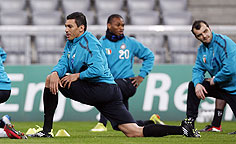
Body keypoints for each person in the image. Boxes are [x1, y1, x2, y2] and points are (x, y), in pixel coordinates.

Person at [30, 12, 200, 138]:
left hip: (102, 89)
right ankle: (182, 129)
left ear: (81, 28)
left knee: (53, 81)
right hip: (110, 92)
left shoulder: (91, 43)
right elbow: (63, 63)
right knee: (133, 131)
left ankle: (46, 131)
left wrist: (76, 76)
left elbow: (97, 69)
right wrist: (55, 72)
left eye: (70, 26)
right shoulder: (71, 44)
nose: (66, 30)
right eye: (65, 26)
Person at [91, 14, 163, 132]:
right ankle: (151, 122)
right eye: (118, 25)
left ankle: (102, 124)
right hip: (113, 84)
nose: (121, 28)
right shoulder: (101, 44)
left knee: (109, 89)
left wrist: (141, 75)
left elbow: (149, 56)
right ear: (109, 26)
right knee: (122, 125)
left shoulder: (130, 43)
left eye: (123, 25)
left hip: (127, 83)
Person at [185, 20, 236, 135]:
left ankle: (215, 125)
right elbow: (198, 69)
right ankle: (189, 124)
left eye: (205, 31)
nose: (204, 36)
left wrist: (215, 80)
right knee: (193, 86)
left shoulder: (224, 43)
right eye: (199, 35)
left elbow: (231, 68)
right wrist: (198, 83)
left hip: (234, 87)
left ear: (209, 28)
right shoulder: (202, 50)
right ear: (196, 37)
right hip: (221, 86)